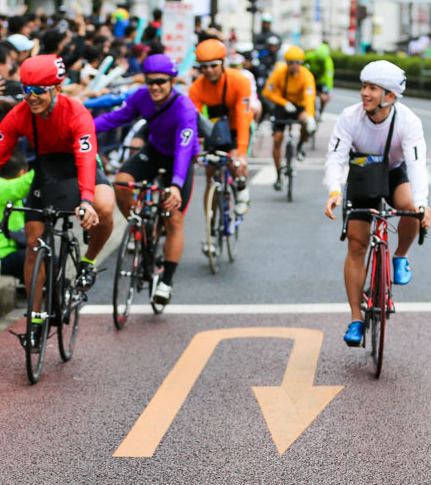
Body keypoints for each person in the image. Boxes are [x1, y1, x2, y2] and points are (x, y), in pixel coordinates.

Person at [0, 56, 115, 326]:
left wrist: (86, 201)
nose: (31, 97)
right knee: (33, 242)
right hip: (47, 173)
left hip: (79, 168)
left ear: (57, 90)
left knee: (105, 207)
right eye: (26, 90)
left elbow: (86, 160)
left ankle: (88, 261)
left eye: (39, 90)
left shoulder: (77, 113)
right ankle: (36, 316)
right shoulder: (19, 114)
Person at [322, 60, 431, 346]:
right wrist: (335, 190)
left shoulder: (408, 121)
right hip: (361, 173)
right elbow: (336, 157)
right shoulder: (349, 117)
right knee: (357, 245)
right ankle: (356, 318)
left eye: (372, 88)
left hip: (394, 171)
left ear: (390, 96)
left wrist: (422, 203)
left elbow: (417, 163)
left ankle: (399, 257)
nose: (364, 93)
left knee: (410, 206)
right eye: (363, 86)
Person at [94, 53, 200, 307]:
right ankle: (138, 228)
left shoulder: (185, 108)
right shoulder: (141, 97)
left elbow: (184, 150)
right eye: (151, 81)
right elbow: (114, 119)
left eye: (161, 81)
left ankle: (166, 281)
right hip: (155, 150)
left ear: (172, 81)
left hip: (179, 158)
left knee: (173, 219)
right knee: (120, 183)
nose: (155, 87)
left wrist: (175, 185)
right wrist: (83, 128)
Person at [188, 39, 252, 215]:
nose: (208, 70)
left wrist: (241, 152)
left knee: (236, 164)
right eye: (204, 66)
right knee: (211, 175)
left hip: (236, 127)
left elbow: (243, 118)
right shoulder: (196, 87)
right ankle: (211, 225)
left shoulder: (239, 81)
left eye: (213, 65)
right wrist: (192, 151)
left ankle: (241, 190)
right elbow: (193, 122)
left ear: (223, 63)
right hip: (215, 130)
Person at [262, 46, 317, 190]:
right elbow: (267, 91)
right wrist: (283, 103)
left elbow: (309, 98)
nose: (294, 66)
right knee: (277, 139)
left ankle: (300, 146)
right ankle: (279, 173)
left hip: (299, 106)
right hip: (283, 106)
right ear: (286, 63)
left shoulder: (306, 76)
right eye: (291, 62)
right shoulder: (279, 72)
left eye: (297, 62)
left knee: (306, 122)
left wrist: (310, 117)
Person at [305, 39, 335, 118]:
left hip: (322, 81)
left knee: (324, 98)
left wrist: (329, 89)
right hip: (311, 79)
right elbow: (302, 63)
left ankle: (321, 111)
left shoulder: (328, 61)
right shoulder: (310, 56)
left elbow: (329, 76)